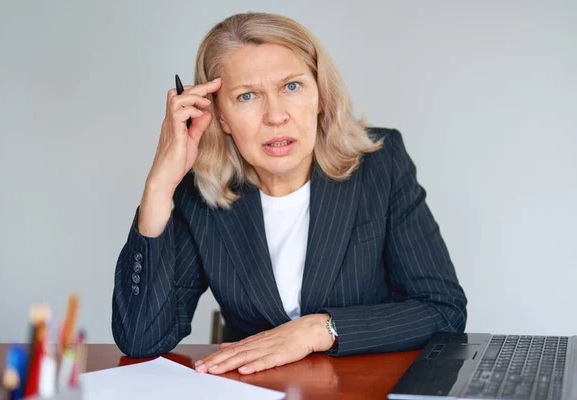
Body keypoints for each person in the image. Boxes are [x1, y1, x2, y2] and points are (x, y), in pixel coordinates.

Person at [111, 12, 467, 375]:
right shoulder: (199, 195)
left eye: (292, 87)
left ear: (320, 96)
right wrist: (159, 185)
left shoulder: (381, 164)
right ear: (220, 117)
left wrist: (320, 329)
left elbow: (442, 309)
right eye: (247, 96)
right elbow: (141, 338)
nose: (276, 115)